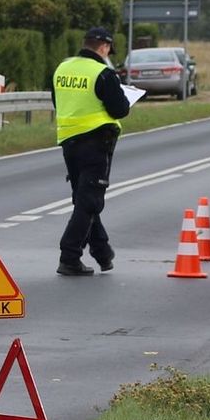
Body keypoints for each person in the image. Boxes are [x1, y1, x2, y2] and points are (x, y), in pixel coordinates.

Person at [51, 27, 131, 276]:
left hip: (68, 141)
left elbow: (57, 101)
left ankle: (102, 252)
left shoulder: (62, 68)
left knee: (83, 198)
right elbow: (120, 109)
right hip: (97, 143)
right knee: (90, 200)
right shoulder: (103, 73)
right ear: (104, 47)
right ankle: (69, 255)